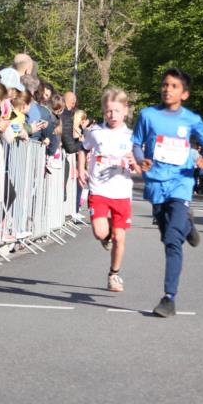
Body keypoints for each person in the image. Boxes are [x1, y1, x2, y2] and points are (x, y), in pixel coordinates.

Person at [132, 68, 203, 318]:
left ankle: (169, 298)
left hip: (181, 185)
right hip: (156, 185)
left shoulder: (190, 120)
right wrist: (140, 159)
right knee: (166, 233)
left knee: (171, 240)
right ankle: (188, 226)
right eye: (165, 85)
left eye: (174, 86)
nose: (168, 89)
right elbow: (136, 143)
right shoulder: (147, 115)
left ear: (185, 93)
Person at [77, 88, 138, 293]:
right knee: (100, 232)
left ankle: (114, 275)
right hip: (99, 189)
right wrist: (81, 168)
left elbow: (141, 166)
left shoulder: (132, 136)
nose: (112, 115)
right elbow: (83, 149)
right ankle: (107, 233)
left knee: (119, 237)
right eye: (109, 111)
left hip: (122, 192)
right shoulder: (95, 132)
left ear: (126, 111)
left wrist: (134, 162)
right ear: (104, 111)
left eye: (117, 111)